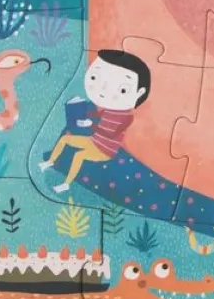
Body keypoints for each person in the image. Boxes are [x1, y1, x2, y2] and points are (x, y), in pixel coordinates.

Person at [39, 49, 150, 192]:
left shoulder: (128, 117)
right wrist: (80, 109)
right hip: (93, 141)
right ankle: (49, 162)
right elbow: (96, 115)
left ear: (139, 93)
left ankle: (66, 184)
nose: (104, 90)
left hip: (105, 150)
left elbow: (112, 135)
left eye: (123, 89)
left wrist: (92, 125)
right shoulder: (109, 108)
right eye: (94, 77)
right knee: (65, 139)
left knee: (79, 155)